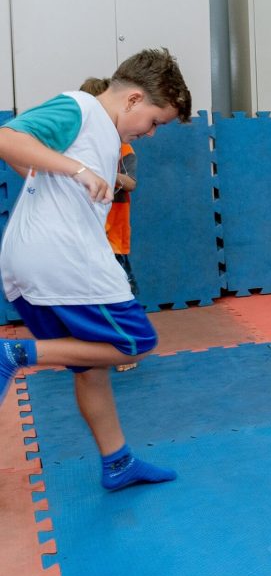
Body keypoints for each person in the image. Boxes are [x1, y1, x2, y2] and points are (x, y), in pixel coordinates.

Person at [0, 48, 191, 491]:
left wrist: (58, 170)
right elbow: (6, 138)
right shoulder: (82, 107)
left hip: (29, 262)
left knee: (89, 366)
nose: (151, 133)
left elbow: (23, 159)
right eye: (154, 121)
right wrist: (77, 168)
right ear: (133, 100)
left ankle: (118, 462)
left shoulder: (101, 130)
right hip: (64, 262)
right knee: (135, 342)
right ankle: (15, 354)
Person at [82, 79, 141, 373]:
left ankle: (127, 348)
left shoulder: (124, 149)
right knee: (89, 292)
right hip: (86, 233)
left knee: (120, 290)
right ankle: (96, 347)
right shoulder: (81, 148)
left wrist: (111, 174)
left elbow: (131, 182)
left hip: (114, 234)